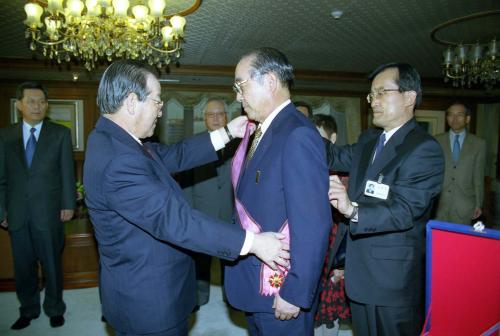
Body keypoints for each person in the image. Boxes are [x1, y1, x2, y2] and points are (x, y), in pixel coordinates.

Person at [83, 60, 289, 336]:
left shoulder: (116, 141)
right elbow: (176, 222)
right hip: (149, 301)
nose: (161, 110)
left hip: (146, 285)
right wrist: (253, 243)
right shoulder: (118, 161)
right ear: (132, 102)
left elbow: (173, 155)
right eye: (156, 101)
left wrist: (227, 133)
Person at [326, 63, 445, 335]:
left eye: (381, 93)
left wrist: (351, 210)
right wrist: (290, 122)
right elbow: (332, 156)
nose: (373, 102)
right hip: (360, 276)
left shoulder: (423, 149)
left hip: (392, 283)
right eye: (371, 95)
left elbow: (404, 210)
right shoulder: (369, 141)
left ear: (409, 97)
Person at [225, 47, 332, 336]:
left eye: (240, 85)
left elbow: (313, 223)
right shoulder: (260, 131)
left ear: (269, 81)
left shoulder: (297, 134)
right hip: (254, 284)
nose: (237, 96)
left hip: (280, 290)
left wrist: (295, 291)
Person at [0, 81, 75, 330]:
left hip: (49, 212)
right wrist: (1, 210)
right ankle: (28, 309)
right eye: (31, 101)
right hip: (17, 214)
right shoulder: (5, 135)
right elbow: (1, 178)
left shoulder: (60, 134)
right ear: (19, 104)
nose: (37, 105)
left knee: (52, 265)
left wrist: (68, 204)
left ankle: (54, 308)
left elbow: (67, 172)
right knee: (23, 268)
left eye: (42, 101)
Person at [181, 98, 237, 307]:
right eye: (210, 115)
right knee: (200, 262)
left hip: (231, 214)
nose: (215, 118)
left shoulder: (239, 145)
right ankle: (198, 297)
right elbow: (186, 184)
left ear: (227, 117)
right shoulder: (194, 145)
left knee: (231, 260)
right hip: (201, 214)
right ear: (204, 119)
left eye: (219, 114)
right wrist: (189, 213)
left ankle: (231, 298)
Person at [311, 114, 352, 336]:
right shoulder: (306, 167)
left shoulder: (348, 173)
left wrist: (343, 263)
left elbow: (351, 222)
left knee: (329, 318)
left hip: (335, 254)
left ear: (333, 138)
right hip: (313, 252)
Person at [434, 102, 486, 225]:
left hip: (465, 206)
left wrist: (479, 204)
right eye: (451, 115)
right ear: (447, 118)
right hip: (439, 206)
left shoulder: (479, 144)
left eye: (459, 115)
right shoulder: (436, 140)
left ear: (467, 119)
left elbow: (478, 176)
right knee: (438, 242)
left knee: (461, 243)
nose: (455, 119)